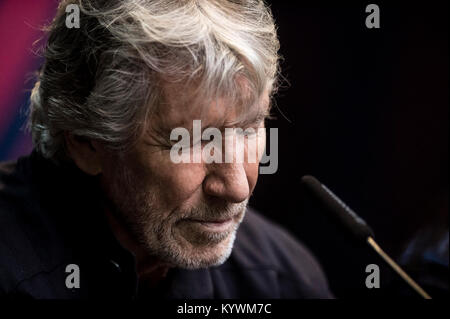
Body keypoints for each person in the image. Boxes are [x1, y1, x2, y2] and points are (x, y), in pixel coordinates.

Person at [0, 0, 332, 299]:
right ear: (86, 142)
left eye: (248, 129)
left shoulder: (283, 281)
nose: (237, 187)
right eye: (194, 140)